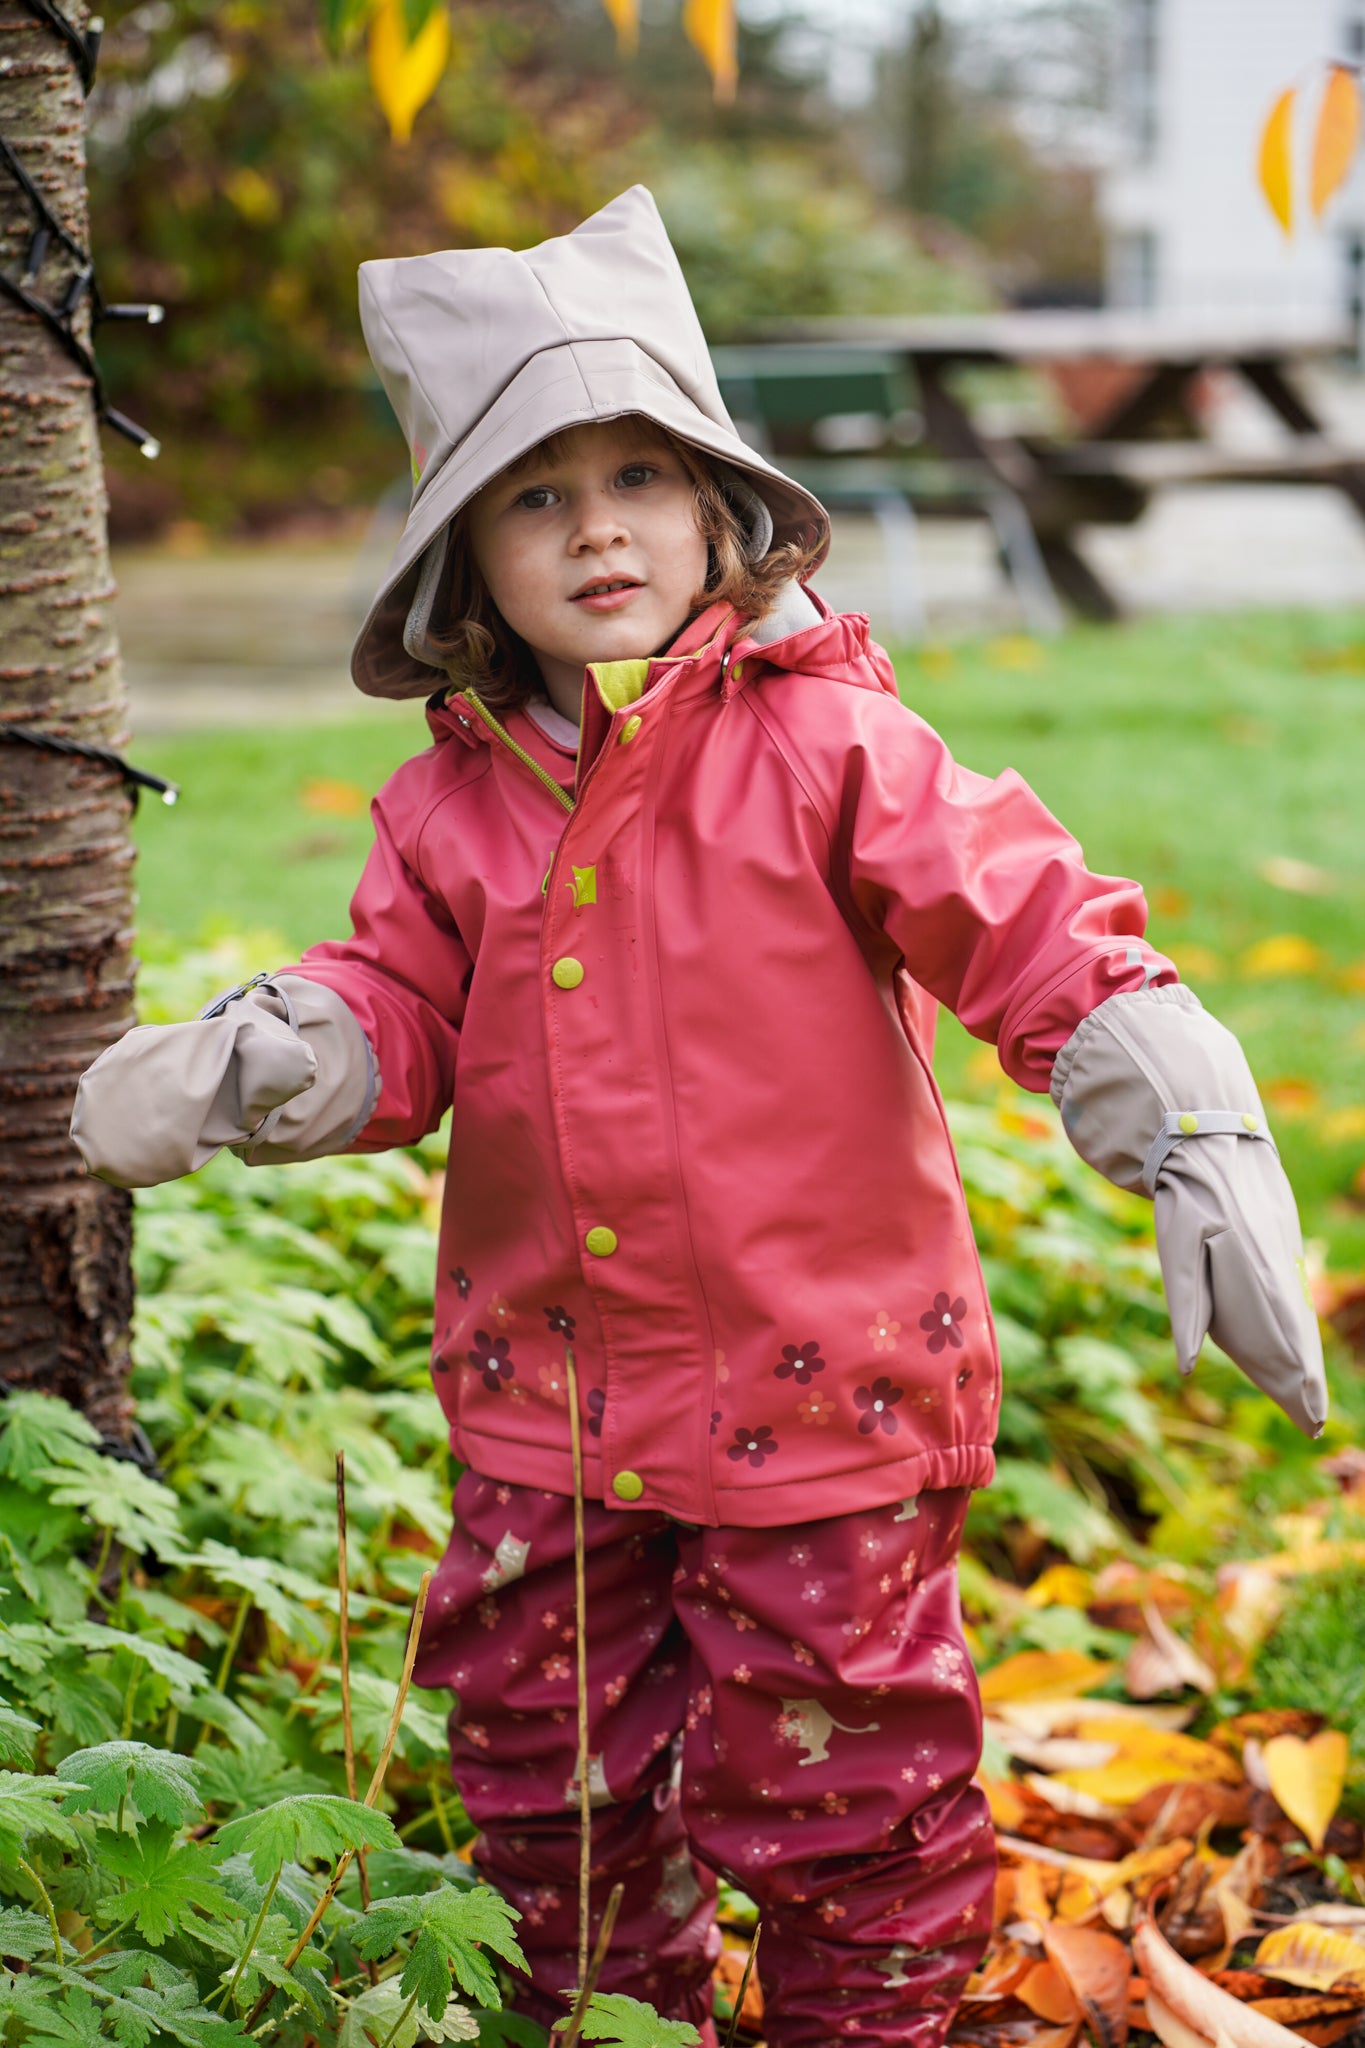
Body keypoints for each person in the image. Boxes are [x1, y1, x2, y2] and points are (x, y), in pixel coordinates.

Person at [71, 187, 1327, 2048]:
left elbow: (1026, 920)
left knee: (848, 1797)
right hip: (544, 1416)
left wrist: (1186, 1115)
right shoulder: (451, 809)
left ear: (715, 505)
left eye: (635, 480)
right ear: (459, 558)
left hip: (822, 1405)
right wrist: (275, 1053)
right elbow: (404, 1007)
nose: (595, 530)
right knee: (540, 1795)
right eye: (534, 494)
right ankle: (602, 2023)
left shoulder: (831, 748)